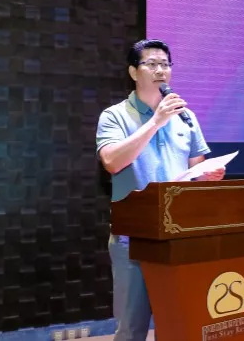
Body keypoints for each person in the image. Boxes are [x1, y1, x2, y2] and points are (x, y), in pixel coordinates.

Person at [96, 39, 225, 340]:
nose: (160, 70)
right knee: (132, 328)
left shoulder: (185, 117)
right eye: (151, 64)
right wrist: (156, 121)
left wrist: (209, 175)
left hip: (177, 233)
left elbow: (196, 169)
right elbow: (112, 162)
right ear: (133, 72)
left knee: (179, 322)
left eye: (165, 64)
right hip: (133, 238)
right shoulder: (115, 116)